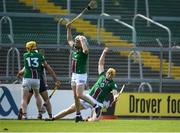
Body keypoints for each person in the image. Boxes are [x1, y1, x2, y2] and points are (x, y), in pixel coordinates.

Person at [51, 47, 119, 122]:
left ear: (113, 76)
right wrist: (104, 53)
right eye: (109, 73)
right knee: (70, 109)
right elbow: (100, 63)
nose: (109, 75)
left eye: (111, 74)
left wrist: (115, 97)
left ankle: (86, 120)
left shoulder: (113, 84)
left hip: (99, 103)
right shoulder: (102, 75)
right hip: (89, 98)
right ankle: (53, 118)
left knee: (95, 120)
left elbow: (115, 93)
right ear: (106, 72)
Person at [66, 22, 101, 122]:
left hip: (81, 75)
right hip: (74, 75)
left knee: (79, 95)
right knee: (75, 96)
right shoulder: (75, 49)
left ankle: (96, 106)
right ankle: (78, 115)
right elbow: (69, 40)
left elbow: (86, 50)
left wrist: (81, 39)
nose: (75, 42)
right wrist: (68, 29)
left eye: (77, 41)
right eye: (76, 41)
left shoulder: (83, 51)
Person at [19, 41, 60, 119]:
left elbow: (24, 69)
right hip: (37, 79)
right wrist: (55, 79)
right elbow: (47, 67)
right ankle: (47, 115)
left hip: (27, 79)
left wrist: (20, 73)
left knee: (25, 99)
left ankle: (24, 115)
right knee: (41, 97)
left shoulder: (25, 55)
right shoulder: (40, 56)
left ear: (29, 48)